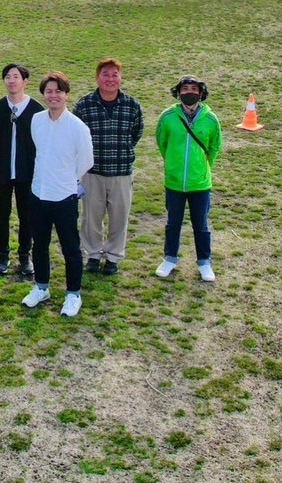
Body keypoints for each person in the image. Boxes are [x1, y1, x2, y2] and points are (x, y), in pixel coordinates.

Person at [22, 72, 94, 318]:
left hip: (64, 197)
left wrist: (65, 180)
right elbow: (38, 152)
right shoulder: (36, 120)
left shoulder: (77, 127)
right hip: (38, 194)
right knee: (39, 244)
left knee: (70, 248)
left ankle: (73, 293)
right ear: (43, 94)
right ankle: (41, 287)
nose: (53, 96)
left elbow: (85, 161)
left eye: (58, 91)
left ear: (66, 94)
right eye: (49, 91)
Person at [74, 59, 145, 276]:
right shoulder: (84, 105)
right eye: (106, 74)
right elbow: (77, 137)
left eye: (115, 75)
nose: (110, 79)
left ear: (120, 78)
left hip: (121, 173)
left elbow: (136, 134)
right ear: (97, 78)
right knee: (91, 218)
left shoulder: (132, 105)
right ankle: (94, 255)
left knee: (119, 217)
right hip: (92, 173)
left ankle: (114, 257)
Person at [154, 76, 223, 282]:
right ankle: (170, 259)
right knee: (173, 223)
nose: (189, 92)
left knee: (200, 225)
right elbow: (162, 142)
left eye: (194, 89)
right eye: (185, 89)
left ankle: (204, 262)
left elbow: (214, 147)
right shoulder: (167, 117)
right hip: (174, 182)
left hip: (200, 183)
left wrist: (202, 168)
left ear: (201, 93)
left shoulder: (211, 120)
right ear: (178, 92)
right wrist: (173, 165)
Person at [0, 63, 44, 276]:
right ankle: (2, 255)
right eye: (7, 76)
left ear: (25, 81)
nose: (11, 80)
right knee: (2, 214)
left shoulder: (37, 111)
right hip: (2, 174)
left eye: (16, 76)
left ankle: (25, 256)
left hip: (28, 175)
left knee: (27, 216)